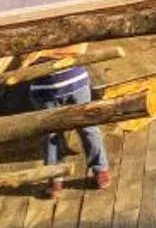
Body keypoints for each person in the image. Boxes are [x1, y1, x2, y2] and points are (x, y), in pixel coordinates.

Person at [27, 64, 111, 195]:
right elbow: (25, 61)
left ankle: (100, 169)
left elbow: (78, 52)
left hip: (77, 83)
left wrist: (44, 55)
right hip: (44, 91)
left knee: (88, 127)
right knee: (50, 134)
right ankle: (54, 176)